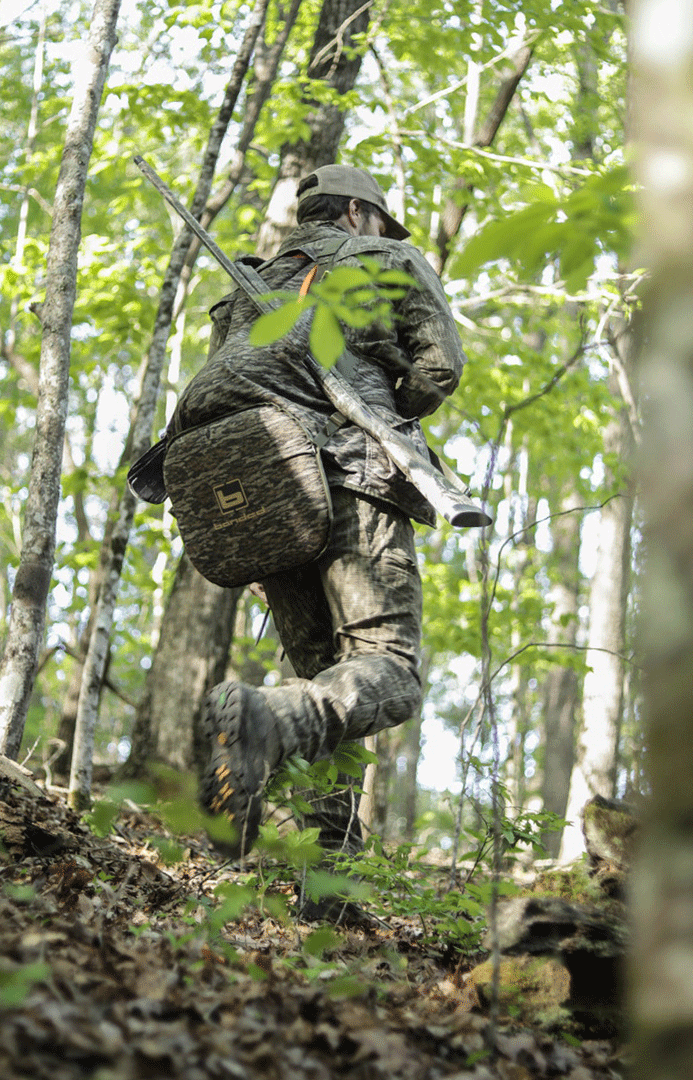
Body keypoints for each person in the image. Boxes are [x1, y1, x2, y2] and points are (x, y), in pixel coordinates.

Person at [165, 164, 467, 892]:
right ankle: (266, 722)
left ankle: (328, 884)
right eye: (379, 220)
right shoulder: (388, 259)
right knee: (389, 670)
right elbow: (439, 368)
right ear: (360, 214)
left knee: (318, 676)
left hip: (258, 479)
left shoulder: (252, 285)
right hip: (348, 468)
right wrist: (389, 406)